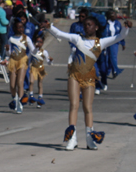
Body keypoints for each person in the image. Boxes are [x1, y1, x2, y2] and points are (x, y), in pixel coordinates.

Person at [43, 13, 131, 150]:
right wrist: (50, 27)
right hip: (74, 75)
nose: (86, 27)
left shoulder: (101, 42)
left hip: (90, 77)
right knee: (73, 105)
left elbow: (119, 37)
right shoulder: (78, 39)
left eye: (89, 25)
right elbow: (60, 34)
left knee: (87, 108)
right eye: (85, 25)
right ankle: (72, 138)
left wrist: (126, 28)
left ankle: (90, 138)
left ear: (96, 27)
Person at [6, 20, 35, 114]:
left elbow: (33, 50)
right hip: (13, 61)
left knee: (20, 82)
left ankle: (20, 103)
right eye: (19, 27)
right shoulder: (11, 39)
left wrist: (28, 58)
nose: (21, 29)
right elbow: (9, 53)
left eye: (22, 27)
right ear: (14, 29)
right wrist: (7, 51)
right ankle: (15, 99)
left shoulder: (26, 38)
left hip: (23, 61)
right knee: (12, 85)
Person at [28, 34, 51, 107]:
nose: (39, 43)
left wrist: (50, 60)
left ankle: (40, 99)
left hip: (40, 68)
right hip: (33, 68)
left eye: (40, 42)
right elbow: (29, 58)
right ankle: (31, 97)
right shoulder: (33, 50)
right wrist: (28, 66)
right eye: (37, 41)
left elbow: (48, 62)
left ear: (43, 43)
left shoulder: (45, 52)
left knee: (40, 84)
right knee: (31, 82)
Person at [105, 10, 125, 78]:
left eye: (115, 15)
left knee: (113, 57)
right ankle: (107, 71)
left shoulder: (118, 23)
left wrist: (123, 43)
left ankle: (115, 70)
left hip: (115, 43)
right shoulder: (105, 23)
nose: (114, 16)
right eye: (112, 15)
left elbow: (121, 34)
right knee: (107, 58)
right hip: (106, 42)